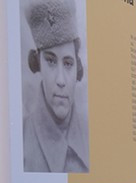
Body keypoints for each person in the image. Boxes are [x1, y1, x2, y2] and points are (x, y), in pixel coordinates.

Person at [23, 0, 89, 173]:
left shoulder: (93, 135)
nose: (61, 80)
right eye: (51, 61)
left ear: (78, 69)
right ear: (37, 64)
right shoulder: (19, 140)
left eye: (68, 63)